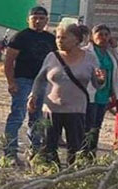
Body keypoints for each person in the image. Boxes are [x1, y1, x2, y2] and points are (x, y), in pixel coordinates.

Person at [27, 22, 103, 166]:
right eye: (57, 38)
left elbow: (97, 84)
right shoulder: (51, 56)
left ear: (76, 39)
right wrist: (33, 95)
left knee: (75, 148)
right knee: (49, 147)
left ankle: (72, 175)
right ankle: (51, 176)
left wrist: (101, 80)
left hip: (76, 110)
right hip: (51, 109)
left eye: (63, 38)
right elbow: (39, 78)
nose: (59, 41)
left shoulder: (90, 58)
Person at [4, 6, 55, 162]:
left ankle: (35, 151)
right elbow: (9, 61)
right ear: (29, 19)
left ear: (47, 20)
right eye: (35, 18)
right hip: (23, 81)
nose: (38, 21)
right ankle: (10, 152)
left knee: (38, 118)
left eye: (41, 18)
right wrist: (11, 82)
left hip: (43, 82)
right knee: (17, 116)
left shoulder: (50, 38)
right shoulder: (20, 37)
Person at [84, 25, 118, 153]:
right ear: (92, 37)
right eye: (100, 34)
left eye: (106, 35)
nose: (103, 38)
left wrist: (115, 47)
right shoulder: (86, 51)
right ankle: (84, 152)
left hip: (104, 95)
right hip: (90, 93)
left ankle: (92, 153)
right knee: (88, 126)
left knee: (97, 126)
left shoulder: (111, 52)